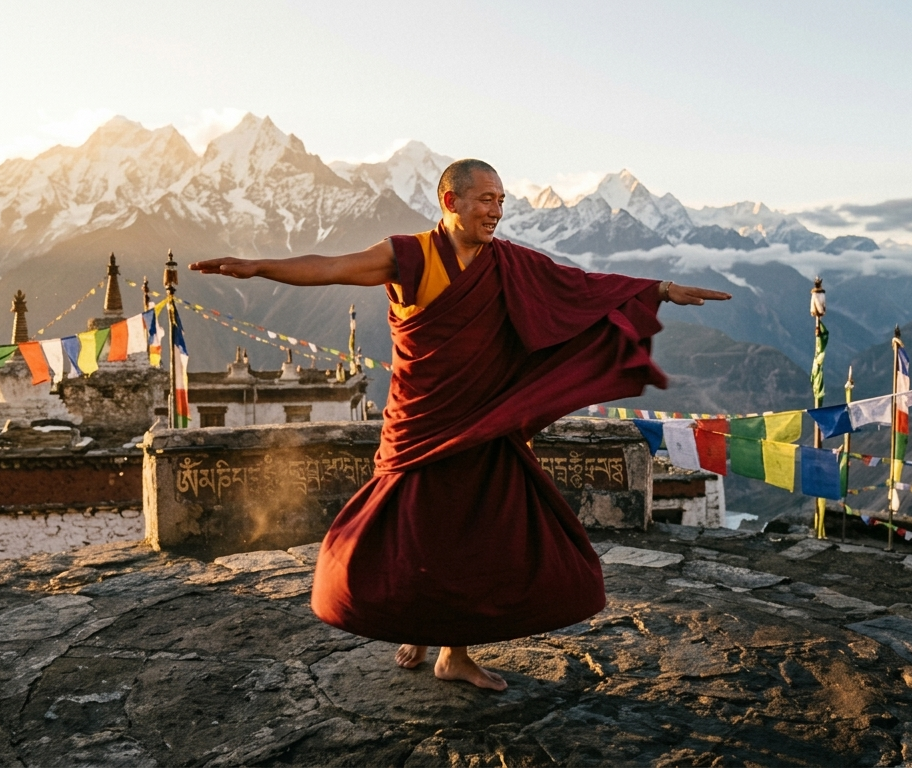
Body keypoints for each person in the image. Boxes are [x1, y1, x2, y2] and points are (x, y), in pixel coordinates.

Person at [191, 159, 730, 690]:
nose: (496, 211)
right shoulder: (410, 256)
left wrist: (658, 290)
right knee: (410, 530)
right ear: (451, 201)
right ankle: (421, 630)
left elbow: (580, 288)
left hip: (480, 419)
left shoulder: (511, 263)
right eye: (486, 200)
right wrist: (259, 266)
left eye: (501, 201)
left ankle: (454, 652)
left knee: (461, 534)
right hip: (421, 418)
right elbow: (330, 267)